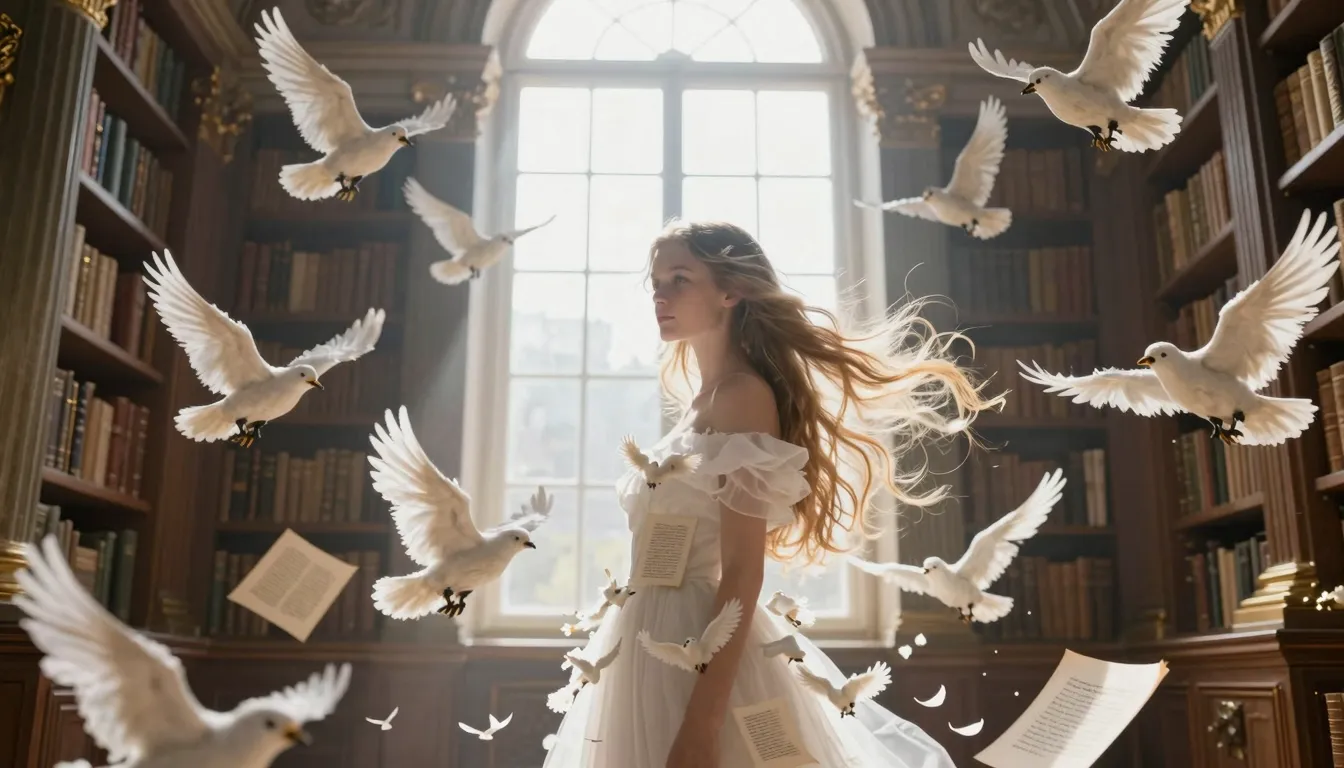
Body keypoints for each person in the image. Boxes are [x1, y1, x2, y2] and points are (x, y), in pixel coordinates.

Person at [542, 220, 1002, 768]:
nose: (660, 296)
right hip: (644, 645)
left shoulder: (742, 397)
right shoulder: (698, 402)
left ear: (730, 292)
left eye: (681, 279)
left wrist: (702, 725)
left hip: (700, 648)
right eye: (657, 281)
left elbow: (742, 569)